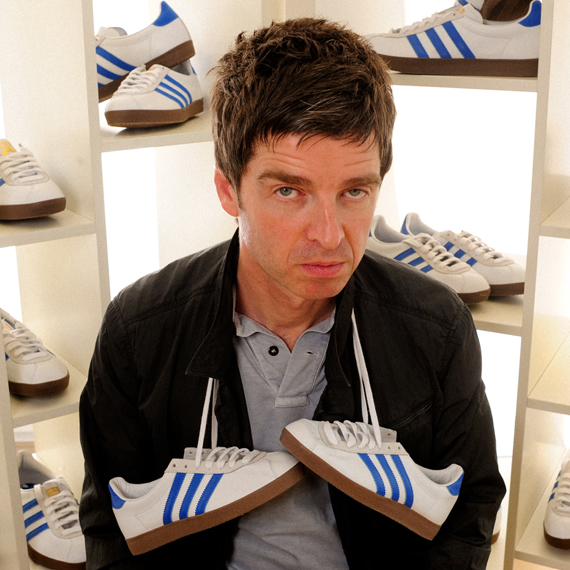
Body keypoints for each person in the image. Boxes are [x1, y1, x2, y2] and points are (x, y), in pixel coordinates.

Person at [79, 17, 505, 570]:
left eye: (355, 191)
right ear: (228, 190)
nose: (329, 235)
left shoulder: (437, 325)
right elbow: (109, 531)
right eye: (289, 191)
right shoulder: (138, 329)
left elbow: (471, 510)